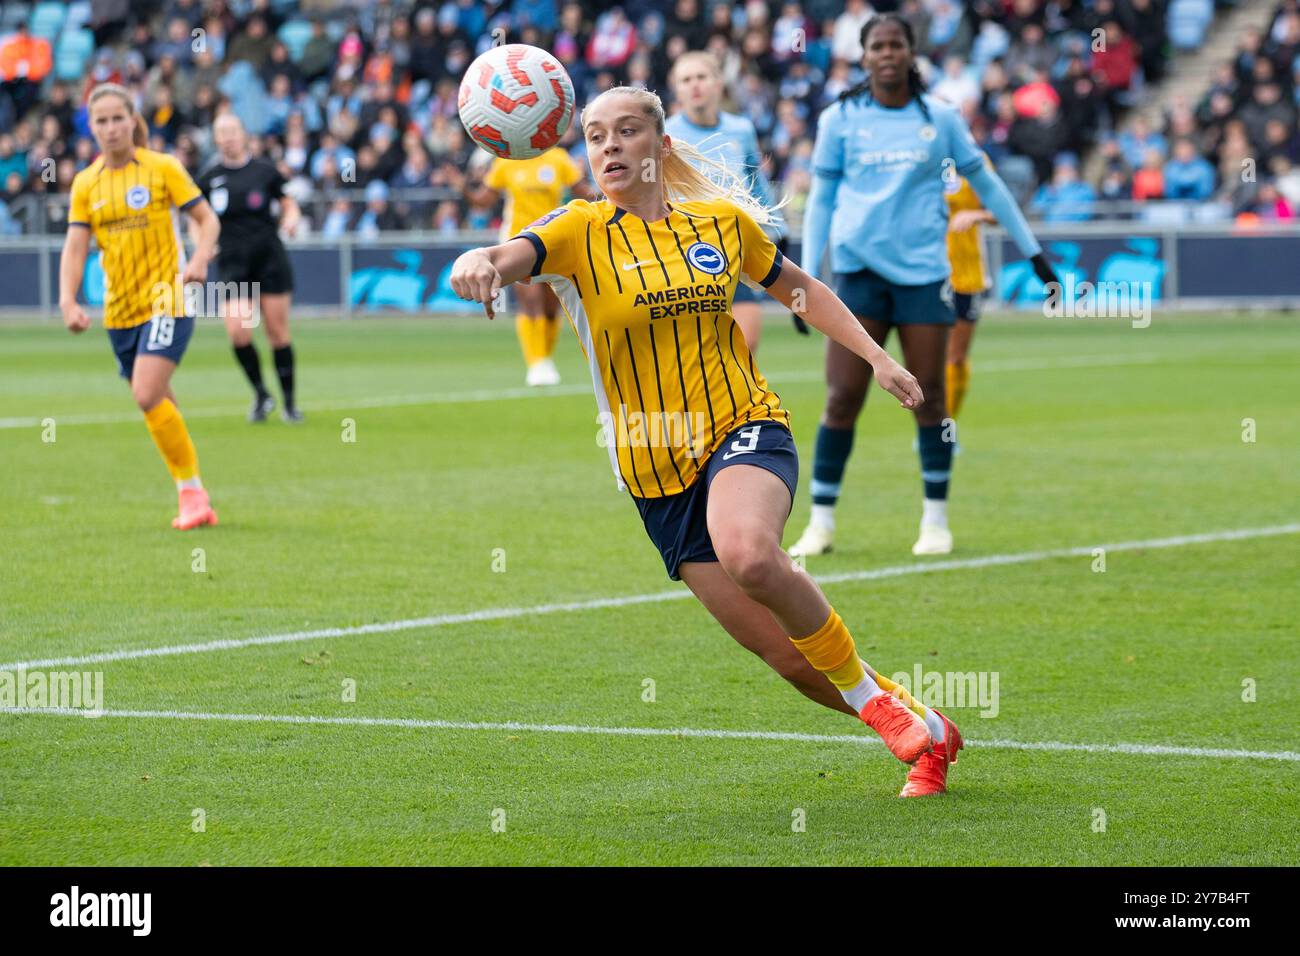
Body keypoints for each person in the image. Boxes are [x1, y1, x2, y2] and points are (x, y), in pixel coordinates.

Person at [451, 85, 965, 797]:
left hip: (742, 426)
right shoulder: (576, 230)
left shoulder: (721, 226)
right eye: (595, 135)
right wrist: (476, 261)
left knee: (750, 552)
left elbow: (801, 289)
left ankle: (880, 709)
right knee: (790, 661)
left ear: (660, 146)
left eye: (626, 132)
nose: (608, 146)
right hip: (652, 473)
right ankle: (930, 730)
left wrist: (877, 355)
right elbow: (507, 256)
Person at [789, 14, 1057, 559]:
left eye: (896, 44)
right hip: (857, 276)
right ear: (863, 56)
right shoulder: (840, 119)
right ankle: (821, 521)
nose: (887, 54)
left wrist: (1034, 253)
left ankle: (935, 520)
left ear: (912, 53)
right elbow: (821, 200)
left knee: (930, 396)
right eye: (877, 46)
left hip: (925, 276)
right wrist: (807, 277)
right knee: (842, 398)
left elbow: (989, 184)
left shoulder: (941, 118)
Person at [59, 83, 221, 529]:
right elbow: (75, 248)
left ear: (133, 120)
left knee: (146, 393)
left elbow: (207, 219)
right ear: (90, 127)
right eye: (101, 121)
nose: (110, 128)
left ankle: (189, 495)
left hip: (169, 296)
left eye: (117, 118)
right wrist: (67, 300)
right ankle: (196, 493)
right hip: (120, 310)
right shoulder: (86, 184)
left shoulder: (162, 168)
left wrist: (201, 259)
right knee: (159, 401)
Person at [665, 50, 797, 351]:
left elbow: (756, 184)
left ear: (717, 83)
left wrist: (777, 230)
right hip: (681, 252)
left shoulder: (741, 129)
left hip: (731, 246)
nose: (695, 85)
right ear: (677, 87)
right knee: (693, 350)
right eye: (686, 79)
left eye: (701, 77)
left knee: (745, 345)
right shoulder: (665, 134)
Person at [194, 112, 303, 422]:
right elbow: (195, 217)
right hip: (232, 262)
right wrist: (203, 245)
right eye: (221, 132)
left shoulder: (265, 171)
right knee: (238, 332)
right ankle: (260, 393)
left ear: (243, 134)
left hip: (269, 258)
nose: (228, 137)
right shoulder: (208, 177)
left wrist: (292, 219)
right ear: (215, 139)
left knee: (277, 333)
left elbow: (288, 202)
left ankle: (290, 404)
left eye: (232, 130)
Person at [468, 147, 592, 386]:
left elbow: (584, 192)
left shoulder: (558, 159)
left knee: (550, 308)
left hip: (553, 241)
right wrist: (462, 186)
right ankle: (536, 363)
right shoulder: (507, 162)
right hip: (517, 241)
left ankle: (545, 358)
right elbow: (483, 201)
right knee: (530, 301)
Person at [944, 157, 997, 421]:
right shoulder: (917, 154)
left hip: (967, 275)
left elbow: (1001, 210)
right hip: (927, 272)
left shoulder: (975, 160)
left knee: (955, 357)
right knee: (928, 357)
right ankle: (931, 428)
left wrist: (977, 214)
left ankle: (946, 428)